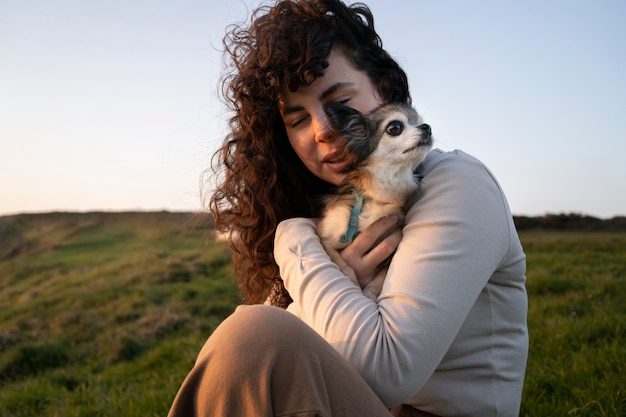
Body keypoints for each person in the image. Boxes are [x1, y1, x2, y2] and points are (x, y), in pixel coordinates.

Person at [168, 0, 528, 416]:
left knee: (252, 337)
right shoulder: (337, 208)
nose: (323, 129)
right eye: (299, 119)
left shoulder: (455, 182)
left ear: (385, 90)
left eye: (339, 99)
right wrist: (343, 277)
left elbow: (384, 371)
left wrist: (295, 239)